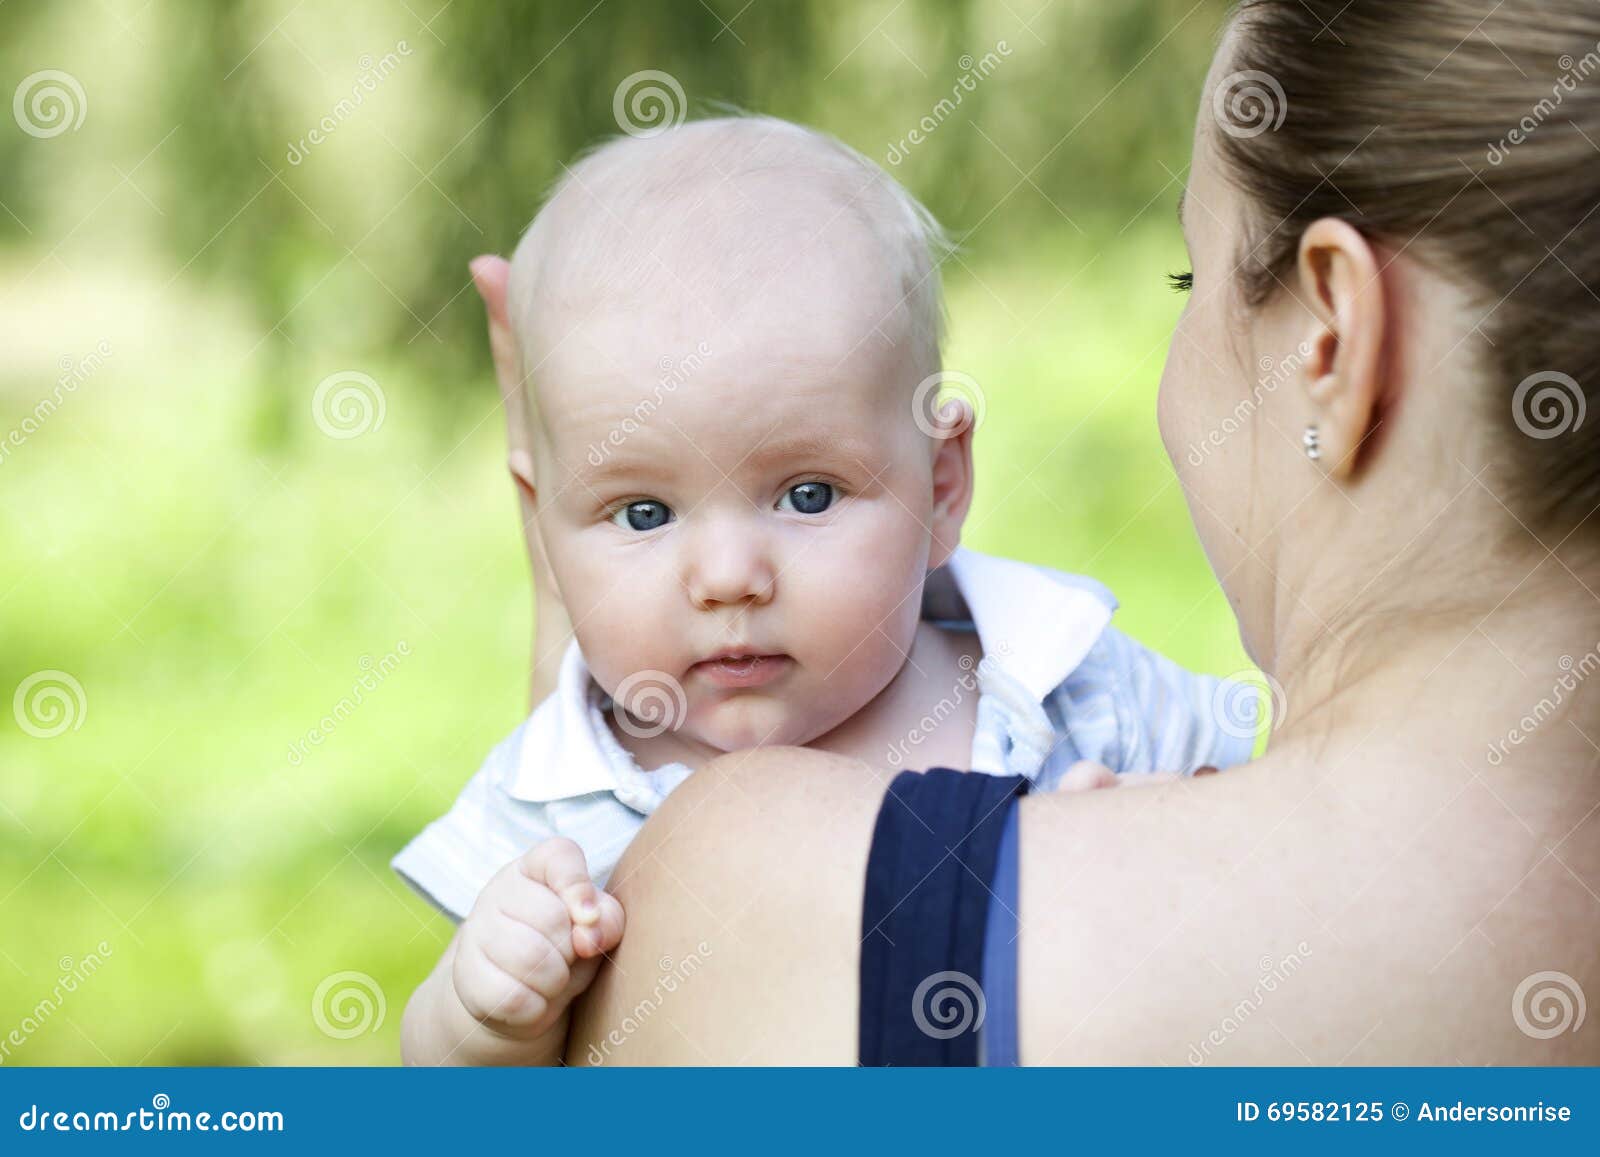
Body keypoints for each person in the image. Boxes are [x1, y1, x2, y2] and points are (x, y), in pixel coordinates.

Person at [562, 0, 1600, 1065]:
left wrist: (600, 562)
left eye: (1191, 280)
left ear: (1330, 342)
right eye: (646, 512)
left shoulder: (780, 908)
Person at [396, 116, 1260, 1066]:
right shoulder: (554, 803)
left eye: (807, 495)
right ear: (543, 523)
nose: (727, 576)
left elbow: (1285, 868)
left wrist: (1168, 837)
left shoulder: (1070, 687)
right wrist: (485, 1015)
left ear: (941, 484)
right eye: (644, 513)